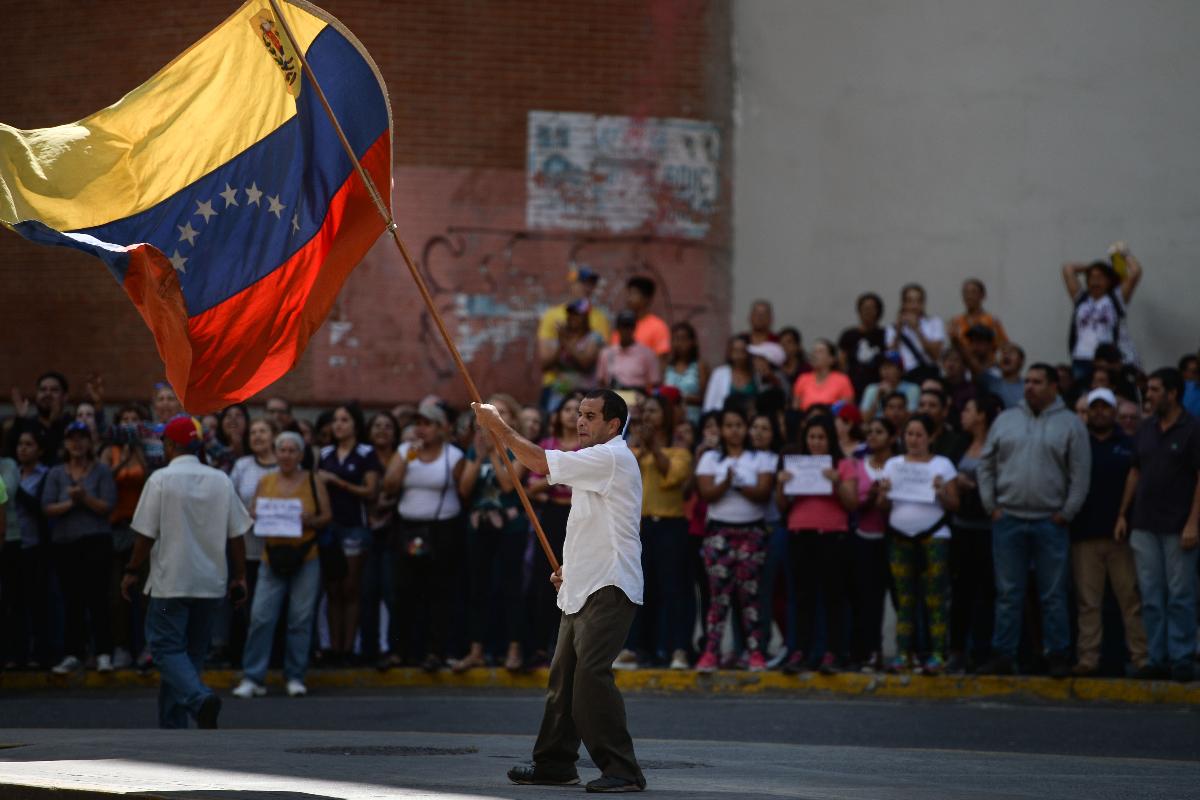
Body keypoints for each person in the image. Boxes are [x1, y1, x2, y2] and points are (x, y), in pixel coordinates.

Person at [474, 389, 647, 793]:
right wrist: (570, 569)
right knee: (563, 679)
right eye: (579, 414)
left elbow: (536, 462)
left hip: (610, 585)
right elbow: (594, 527)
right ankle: (554, 763)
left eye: (590, 415)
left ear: (613, 425)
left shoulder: (612, 457)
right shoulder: (596, 461)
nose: (580, 421)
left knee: (589, 678)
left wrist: (500, 428)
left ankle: (622, 768)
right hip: (584, 584)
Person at [121, 416, 251, 729]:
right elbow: (237, 535)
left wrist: (131, 570)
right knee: (189, 656)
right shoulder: (220, 480)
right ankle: (174, 726)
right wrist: (240, 576)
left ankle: (198, 698)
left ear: (172, 445)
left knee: (165, 650)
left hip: (171, 584)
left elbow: (145, 536)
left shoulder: (161, 480)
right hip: (210, 584)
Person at [977, 364, 1090, 677]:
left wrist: (1066, 513)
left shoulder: (1069, 424)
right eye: (1027, 381)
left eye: (1037, 382)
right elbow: (986, 465)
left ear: (1054, 386)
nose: (1029, 387)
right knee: (1008, 593)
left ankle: (1056, 656)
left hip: (1049, 521)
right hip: (1008, 518)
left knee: (1053, 595)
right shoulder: (1006, 420)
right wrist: (991, 506)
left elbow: (1081, 474)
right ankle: (1003, 654)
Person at [232, 431, 332, 698]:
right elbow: (253, 511)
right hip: (272, 556)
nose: (286, 455)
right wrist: (255, 514)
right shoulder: (266, 481)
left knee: (300, 618)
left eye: (292, 450)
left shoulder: (313, 480)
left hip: (306, 556)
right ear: (276, 454)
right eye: (282, 450)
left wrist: (310, 519)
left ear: (300, 455)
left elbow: (326, 517)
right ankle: (253, 677)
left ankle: (295, 676)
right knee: (261, 616)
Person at [1116, 368, 1200, 682]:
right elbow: (1135, 472)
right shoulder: (1146, 428)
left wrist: (1194, 523)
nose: (1147, 395)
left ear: (1172, 393)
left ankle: (1181, 657)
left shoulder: (1192, 430)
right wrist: (1123, 513)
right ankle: (1156, 657)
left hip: (1179, 526)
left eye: (1153, 390)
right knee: (1150, 594)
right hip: (1145, 523)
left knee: (1180, 594)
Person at [1068, 388, 1148, 677]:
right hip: (1084, 535)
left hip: (1120, 537)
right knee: (1088, 603)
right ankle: (1088, 658)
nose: (1100, 412)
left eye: (1105, 407)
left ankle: (1141, 658)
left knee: (1130, 600)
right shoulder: (1077, 445)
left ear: (1114, 412)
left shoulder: (1129, 444)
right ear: (1087, 412)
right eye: (1095, 407)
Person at [381, 401, 466, 671]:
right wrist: (408, 459)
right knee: (404, 590)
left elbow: (464, 491)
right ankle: (400, 650)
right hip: (409, 530)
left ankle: (434, 652)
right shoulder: (406, 451)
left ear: (442, 429)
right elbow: (389, 486)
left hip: (441, 530)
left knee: (437, 593)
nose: (422, 429)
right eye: (418, 423)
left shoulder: (453, 455)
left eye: (428, 424)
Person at [777, 414, 860, 674]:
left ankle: (832, 653)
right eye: (811, 437)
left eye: (821, 437)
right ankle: (800, 651)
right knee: (802, 597)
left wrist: (836, 481)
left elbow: (852, 504)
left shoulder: (843, 465)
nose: (816, 442)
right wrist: (782, 486)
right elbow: (782, 507)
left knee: (833, 596)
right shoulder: (795, 466)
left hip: (832, 536)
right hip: (800, 535)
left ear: (830, 440)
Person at [693, 407, 774, 673]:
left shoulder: (761, 458)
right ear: (722, 430)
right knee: (719, 597)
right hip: (719, 534)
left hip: (752, 532)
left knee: (750, 596)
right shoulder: (710, 459)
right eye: (728, 425)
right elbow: (706, 494)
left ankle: (755, 653)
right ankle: (711, 653)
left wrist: (735, 485)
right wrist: (726, 483)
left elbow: (763, 493)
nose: (734, 430)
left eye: (739, 425)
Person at [878, 415, 960, 674]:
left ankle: (937, 654)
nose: (913, 440)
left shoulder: (942, 465)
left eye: (919, 434)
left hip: (933, 537)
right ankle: (904, 654)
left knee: (935, 597)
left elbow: (954, 504)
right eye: (909, 434)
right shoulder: (893, 464)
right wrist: (883, 492)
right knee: (904, 598)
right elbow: (883, 506)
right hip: (900, 537)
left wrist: (941, 491)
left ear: (930, 437)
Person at [455, 394, 529, 672]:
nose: (497, 417)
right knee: (478, 588)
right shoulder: (477, 448)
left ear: (513, 418)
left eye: (503, 413)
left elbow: (508, 484)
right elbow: (464, 489)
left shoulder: (518, 447)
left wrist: (496, 449)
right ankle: (476, 649)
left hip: (510, 528)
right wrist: (480, 456)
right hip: (479, 525)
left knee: (510, 587)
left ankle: (513, 648)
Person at [621, 394, 693, 670]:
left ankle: (678, 649)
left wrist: (651, 445)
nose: (649, 416)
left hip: (670, 527)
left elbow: (671, 478)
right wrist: (640, 443)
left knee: (673, 591)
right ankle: (639, 649)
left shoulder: (679, 451)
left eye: (654, 411)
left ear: (666, 415)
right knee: (641, 591)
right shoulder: (636, 451)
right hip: (641, 527)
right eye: (645, 412)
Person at [43, 420, 117, 674]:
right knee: (71, 600)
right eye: (72, 438)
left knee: (98, 598)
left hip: (96, 541)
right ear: (65, 442)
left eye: (82, 438)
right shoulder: (56, 473)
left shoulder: (102, 471)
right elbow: (48, 507)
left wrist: (84, 497)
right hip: (65, 544)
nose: (77, 443)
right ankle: (73, 652)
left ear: (90, 442)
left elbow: (107, 506)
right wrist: (73, 503)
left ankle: (104, 652)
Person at [317, 404, 382, 665]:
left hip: (356, 524)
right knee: (333, 589)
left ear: (355, 424)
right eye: (335, 420)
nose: (339, 425)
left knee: (350, 588)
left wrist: (337, 482)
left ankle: (349, 648)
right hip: (331, 527)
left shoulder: (366, 453)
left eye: (344, 420)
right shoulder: (325, 453)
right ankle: (334, 647)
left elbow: (370, 491)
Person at [526, 394, 582, 665]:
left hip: (579, 517)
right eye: (567, 409)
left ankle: (571, 645)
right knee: (544, 577)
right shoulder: (547, 446)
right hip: (551, 517)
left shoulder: (588, 448)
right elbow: (531, 487)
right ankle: (539, 644)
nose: (572, 415)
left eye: (578, 410)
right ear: (557, 415)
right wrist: (561, 480)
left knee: (577, 578)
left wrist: (552, 479)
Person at [947, 395, 1000, 674]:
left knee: (987, 592)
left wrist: (975, 486)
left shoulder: (998, 446)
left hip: (989, 529)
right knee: (961, 592)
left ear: (982, 415)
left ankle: (983, 650)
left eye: (967, 408)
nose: (962, 414)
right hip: (961, 527)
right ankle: (957, 650)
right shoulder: (959, 443)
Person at [101, 405, 151, 671]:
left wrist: (138, 452)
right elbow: (102, 480)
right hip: (115, 527)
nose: (130, 425)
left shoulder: (148, 451)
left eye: (135, 421)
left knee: (145, 593)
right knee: (115, 594)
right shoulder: (111, 451)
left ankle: (145, 645)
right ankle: (120, 646)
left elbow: (150, 481)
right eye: (125, 420)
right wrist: (124, 458)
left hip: (141, 530)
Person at [226, 417, 279, 665]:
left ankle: (273, 657)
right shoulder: (242, 465)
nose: (257, 436)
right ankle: (244, 656)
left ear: (274, 436)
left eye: (263, 431)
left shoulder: (284, 466)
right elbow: (230, 501)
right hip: (246, 549)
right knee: (246, 606)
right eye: (254, 432)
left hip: (277, 549)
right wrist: (247, 513)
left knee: (273, 608)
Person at [853, 417, 895, 672]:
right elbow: (855, 504)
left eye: (879, 432)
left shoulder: (901, 466)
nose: (872, 436)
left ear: (892, 437)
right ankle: (871, 650)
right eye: (869, 432)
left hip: (895, 538)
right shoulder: (860, 465)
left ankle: (910, 651)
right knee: (869, 598)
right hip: (866, 538)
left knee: (902, 597)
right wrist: (870, 496)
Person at [1062, 249, 1143, 379]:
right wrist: (1095, 266)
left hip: (1108, 361)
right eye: (1092, 278)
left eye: (1100, 277)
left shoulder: (1116, 298)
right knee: (1083, 395)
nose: (1095, 282)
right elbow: (1068, 268)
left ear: (1109, 281)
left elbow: (1135, 272)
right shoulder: (1081, 298)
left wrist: (1124, 255)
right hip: (1081, 358)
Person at [10, 430, 51, 668]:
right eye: (20, 444)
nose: (23, 449)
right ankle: (17, 654)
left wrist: (16, 488)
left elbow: (41, 507)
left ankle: (39, 653)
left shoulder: (45, 475)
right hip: (13, 544)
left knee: (37, 603)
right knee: (15, 604)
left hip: (36, 545)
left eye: (29, 444)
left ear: (40, 450)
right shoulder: (9, 471)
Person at [363, 411, 401, 666]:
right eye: (377, 425)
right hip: (366, 532)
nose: (382, 430)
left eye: (388, 426)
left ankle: (392, 648)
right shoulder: (364, 457)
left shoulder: (402, 456)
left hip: (395, 534)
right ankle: (369, 649)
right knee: (368, 591)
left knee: (391, 592)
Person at [539, 297, 605, 411]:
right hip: (559, 395)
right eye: (570, 313)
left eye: (577, 314)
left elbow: (585, 363)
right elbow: (545, 366)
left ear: (585, 317)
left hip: (585, 394)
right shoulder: (561, 338)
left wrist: (565, 342)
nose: (572, 317)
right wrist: (560, 345)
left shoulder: (594, 338)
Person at [538, 265, 611, 349]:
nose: (587, 288)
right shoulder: (552, 315)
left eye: (591, 284)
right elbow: (544, 354)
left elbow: (603, 352)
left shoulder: (600, 318)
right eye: (583, 283)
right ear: (572, 284)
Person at [9, 371, 73, 466]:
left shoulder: (72, 425)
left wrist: (54, 424)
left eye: (54, 390)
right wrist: (19, 420)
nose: (47, 394)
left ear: (65, 397)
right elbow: (9, 458)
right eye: (43, 390)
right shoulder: (26, 424)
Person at [885, 283, 946, 383]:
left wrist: (917, 330)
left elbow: (935, 355)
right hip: (903, 376)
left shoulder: (934, 322)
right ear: (903, 303)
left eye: (918, 301)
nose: (914, 306)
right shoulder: (893, 328)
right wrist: (898, 331)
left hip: (926, 374)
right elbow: (891, 356)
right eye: (910, 301)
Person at [948, 279, 1008, 371]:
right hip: (963, 370)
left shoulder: (992, 321)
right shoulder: (956, 321)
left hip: (988, 369)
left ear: (983, 295)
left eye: (973, 292)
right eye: (966, 293)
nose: (969, 296)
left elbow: (1003, 347)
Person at [597, 310, 662, 392]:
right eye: (623, 326)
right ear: (618, 328)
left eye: (629, 326)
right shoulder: (606, 353)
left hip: (638, 397)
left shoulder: (647, 354)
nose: (626, 330)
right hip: (613, 397)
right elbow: (601, 383)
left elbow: (655, 384)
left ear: (634, 328)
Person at [838, 292, 887, 396]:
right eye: (865, 308)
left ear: (878, 312)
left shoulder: (885, 334)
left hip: (877, 385)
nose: (868, 312)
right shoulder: (849, 335)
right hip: (853, 385)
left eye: (872, 308)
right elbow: (842, 362)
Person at [664, 321, 709, 426]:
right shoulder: (668, 367)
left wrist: (684, 398)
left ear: (692, 341)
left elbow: (706, 399)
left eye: (683, 339)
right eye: (676, 339)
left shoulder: (700, 366)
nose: (679, 343)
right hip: (671, 420)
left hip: (693, 420)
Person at [613, 276, 671, 358]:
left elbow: (661, 361)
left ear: (647, 299)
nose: (629, 299)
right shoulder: (622, 324)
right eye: (628, 294)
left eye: (633, 294)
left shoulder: (658, 327)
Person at [792, 339, 855, 412]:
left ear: (831, 359)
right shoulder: (803, 379)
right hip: (807, 420)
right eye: (814, 352)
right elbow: (795, 408)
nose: (815, 355)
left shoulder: (842, 380)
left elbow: (847, 408)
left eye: (820, 352)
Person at [860, 352, 919, 419]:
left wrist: (891, 394)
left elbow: (910, 418)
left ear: (900, 370)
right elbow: (864, 419)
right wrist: (877, 398)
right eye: (883, 367)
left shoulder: (912, 389)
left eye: (889, 367)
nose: (885, 371)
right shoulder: (871, 389)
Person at [917, 388, 963, 458]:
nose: (926, 410)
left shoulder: (956, 442)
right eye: (922, 405)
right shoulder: (909, 437)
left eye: (932, 405)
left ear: (944, 411)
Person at [979, 342, 1026, 410]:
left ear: (1021, 361)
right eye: (1003, 352)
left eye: (1011, 352)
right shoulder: (989, 381)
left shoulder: (1028, 387)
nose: (1006, 355)